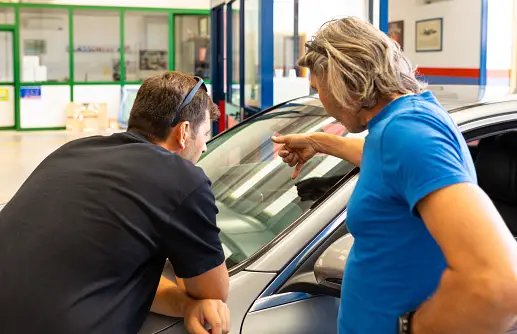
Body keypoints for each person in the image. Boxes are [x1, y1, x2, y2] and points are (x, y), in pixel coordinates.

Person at [272, 17, 517, 333]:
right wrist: (318, 142)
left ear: (341, 81)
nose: (323, 103)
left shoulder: (406, 133)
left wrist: (409, 327)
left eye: (319, 89)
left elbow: (501, 283)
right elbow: (385, 163)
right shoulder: (401, 123)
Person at [0, 72, 230, 334]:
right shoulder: (182, 179)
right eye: (205, 135)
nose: (204, 148)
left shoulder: (73, 151)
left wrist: (184, 306)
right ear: (184, 132)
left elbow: (103, 267)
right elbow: (214, 291)